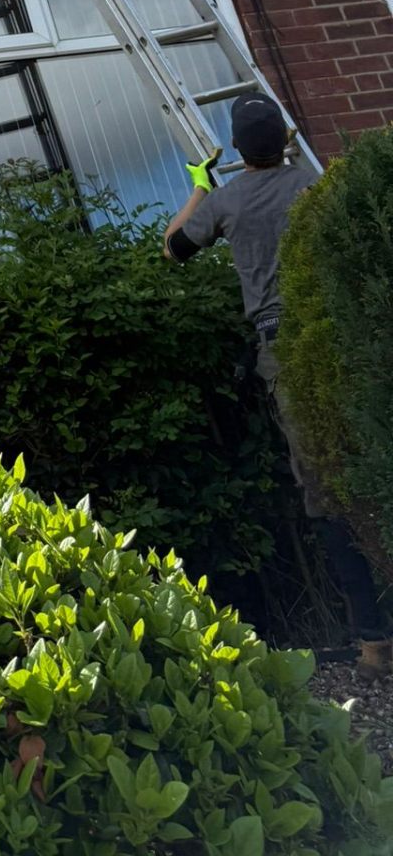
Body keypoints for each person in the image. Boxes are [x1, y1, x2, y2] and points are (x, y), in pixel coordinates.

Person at [164, 92, 391, 674]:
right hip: (342, 335)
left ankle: (373, 642)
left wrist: (199, 186)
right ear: (286, 139)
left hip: (285, 353)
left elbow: (173, 247)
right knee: (375, 467)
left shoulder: (227, 200)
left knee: (324, 490)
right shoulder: (316, 186)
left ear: (237, 148)